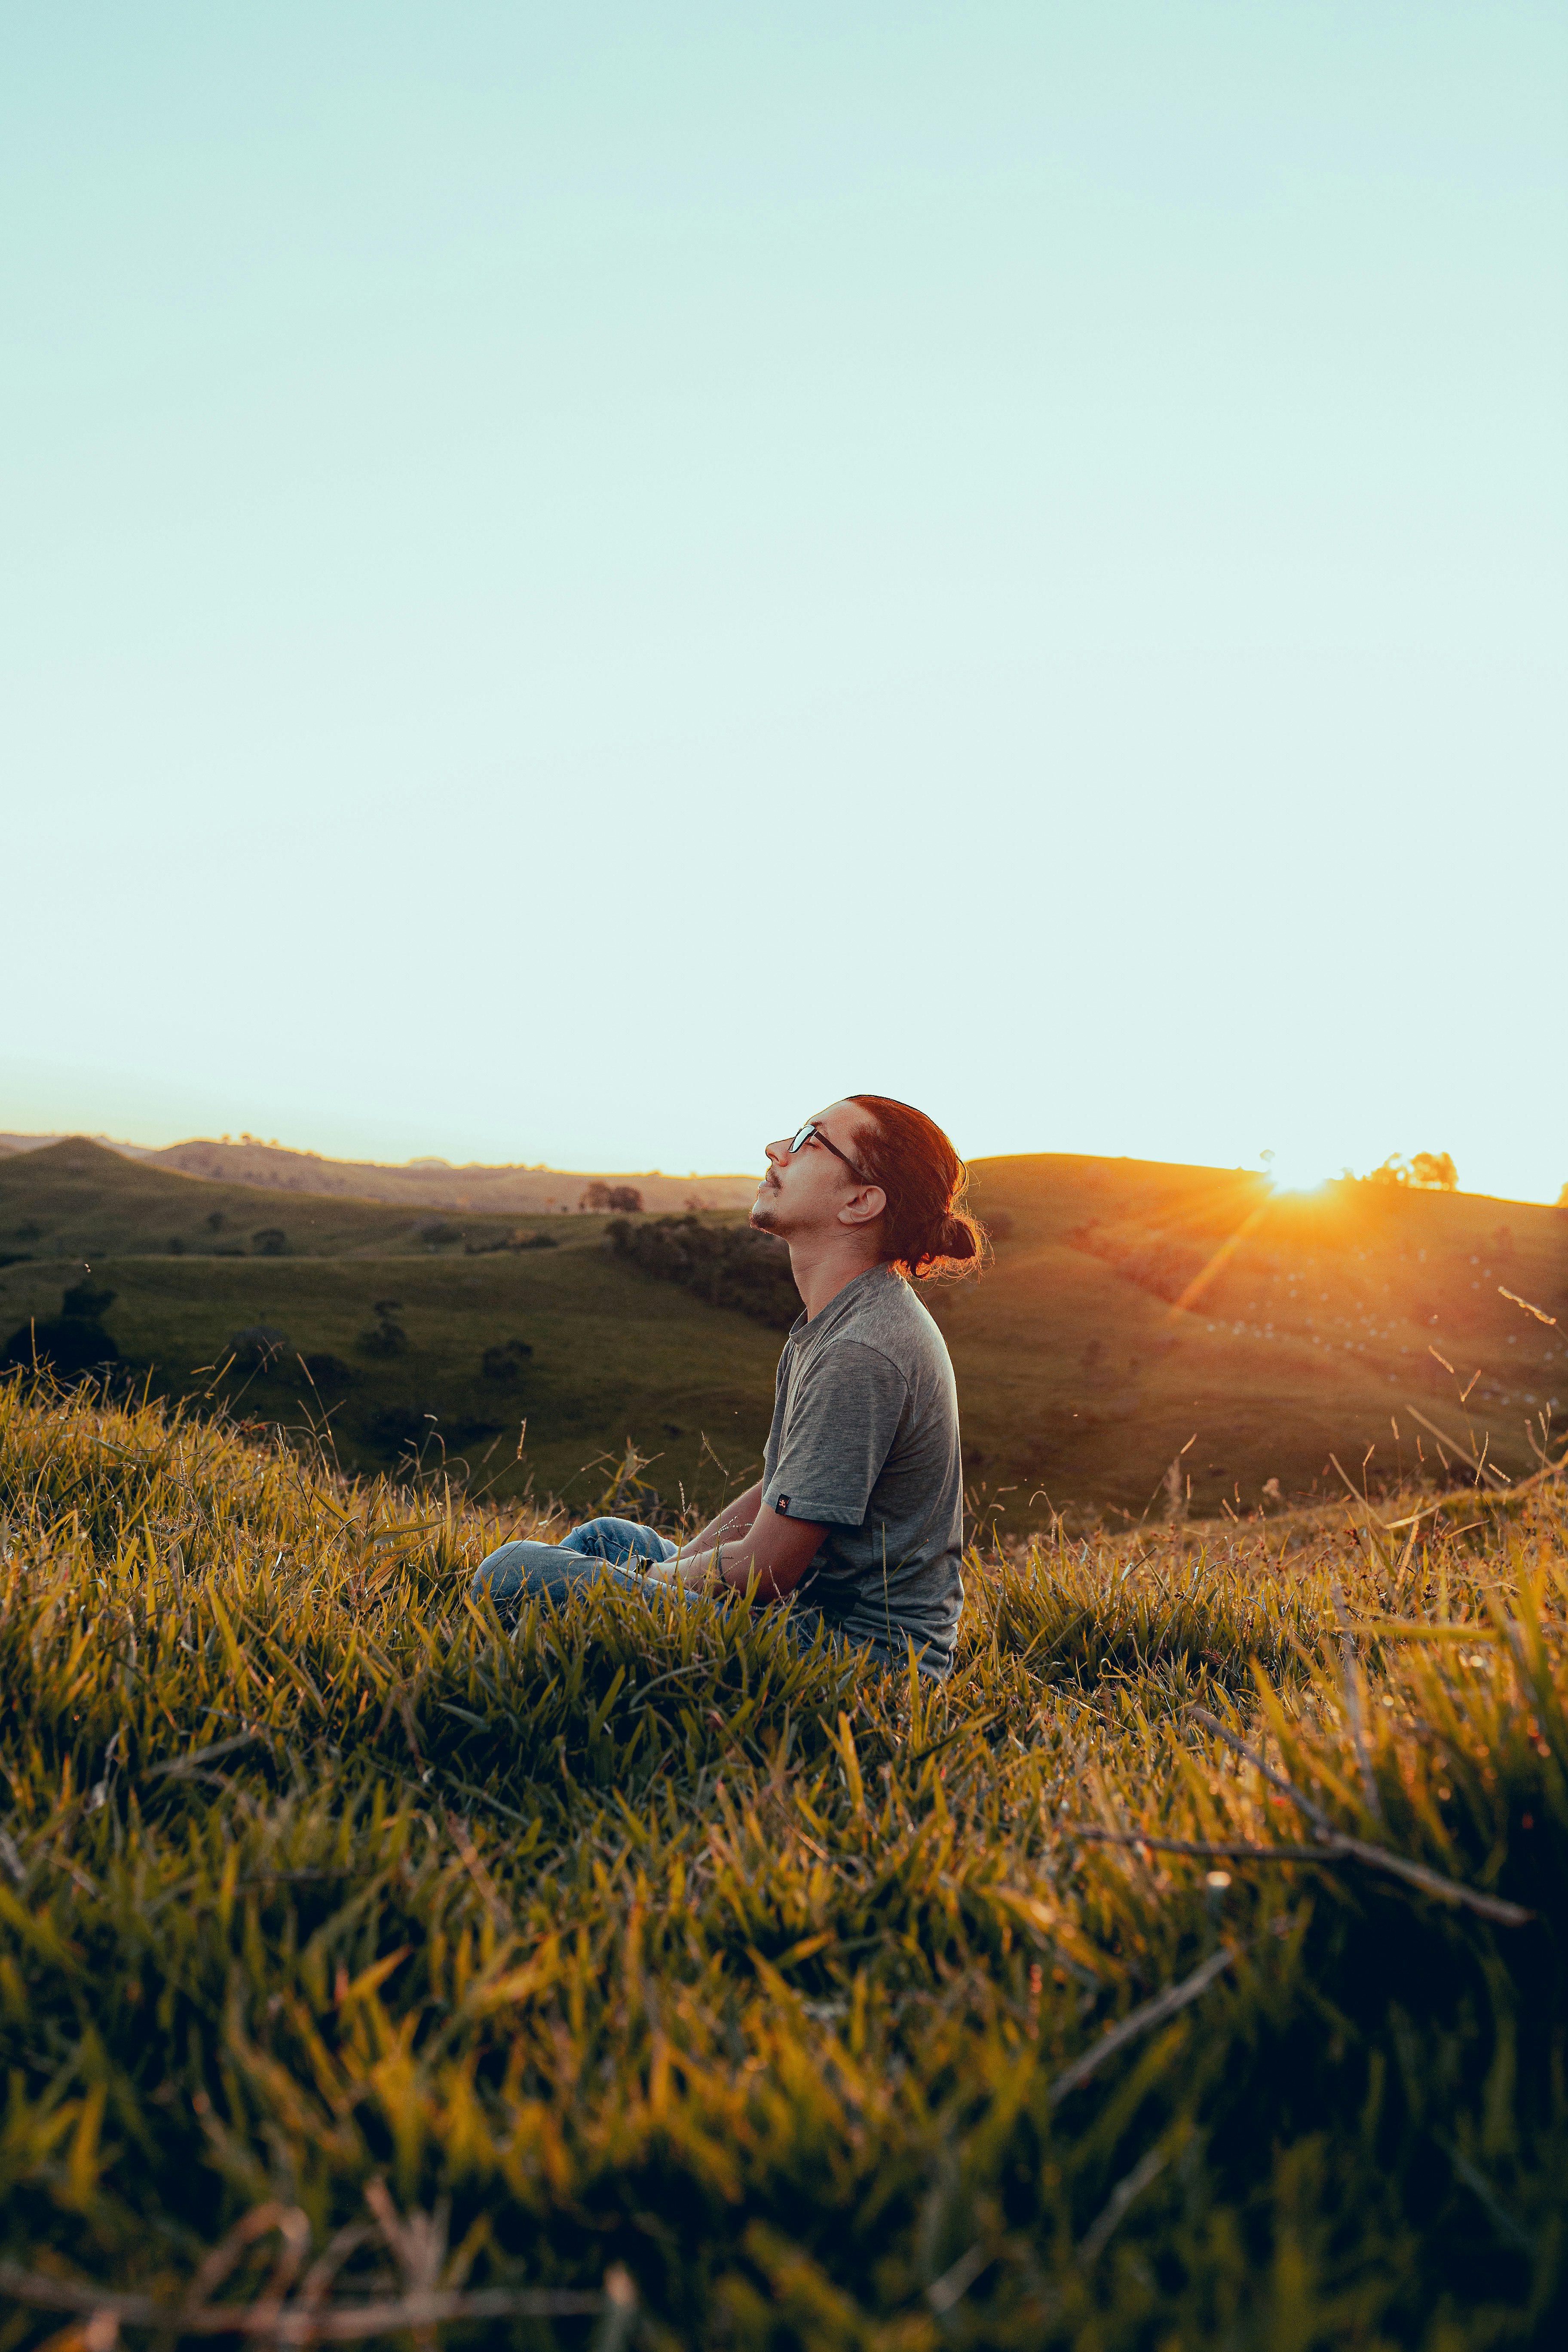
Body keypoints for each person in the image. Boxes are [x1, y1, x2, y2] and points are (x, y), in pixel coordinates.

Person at [470, 1096, 984, 1679]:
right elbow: (781, 1489)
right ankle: (549, 1664)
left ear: (861, 1202)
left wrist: (653, 1583)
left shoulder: (860, 1350)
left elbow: (766, 1570)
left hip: (862, 1663)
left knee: (511, 1570)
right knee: (609, 1538)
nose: (775, 1150)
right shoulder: (848, 1319)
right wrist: (673, 1573)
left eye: (809, 1139)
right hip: (812, 1623)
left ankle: (540, 1669)